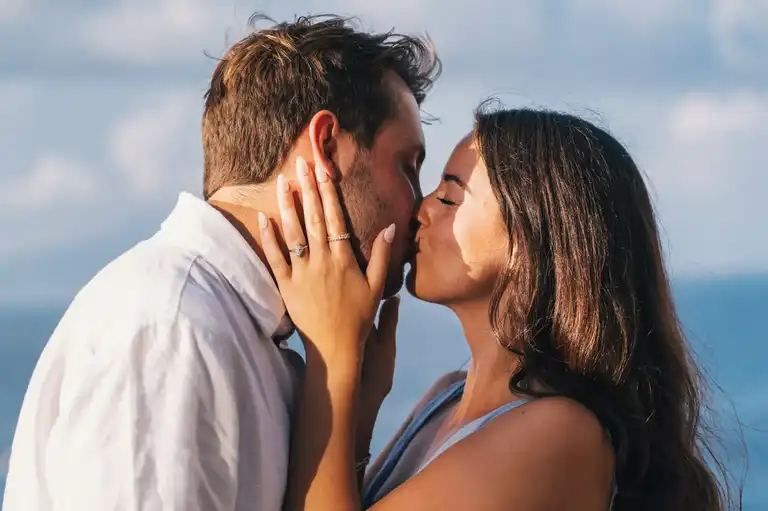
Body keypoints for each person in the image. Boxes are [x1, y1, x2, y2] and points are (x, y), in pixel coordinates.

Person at [2, 14, 439, 511]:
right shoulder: (176, 324)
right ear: (326, 147)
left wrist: (348, 414)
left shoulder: (239, 333)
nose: (421, 205)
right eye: (408, 166)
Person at [260, 105, 736, 510]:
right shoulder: (447, 397)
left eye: (449, 196)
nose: (421, 208)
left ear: (528, 242)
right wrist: (360, 411)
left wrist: (333, 355)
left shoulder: (556, 434)